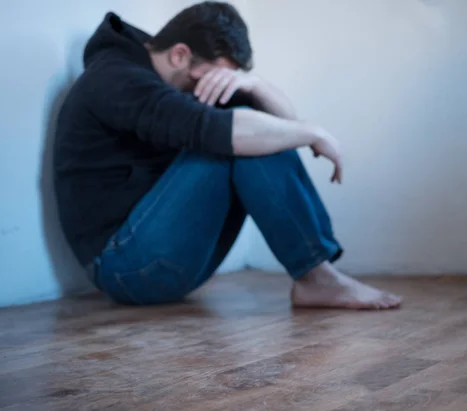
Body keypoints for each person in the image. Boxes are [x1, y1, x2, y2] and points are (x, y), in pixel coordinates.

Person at [54, 1, 402, 310]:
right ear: (179, 54)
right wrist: (315, 132)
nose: (213, 86)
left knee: (255, 130)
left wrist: (256, 86)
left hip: (169, 258)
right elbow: (240, 132)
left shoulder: (170, 72)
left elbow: (283, 125)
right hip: (124, 268)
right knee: (237, 136)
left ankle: (318, 275)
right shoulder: (116, 79)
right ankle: (317, 278)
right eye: (211, 76)